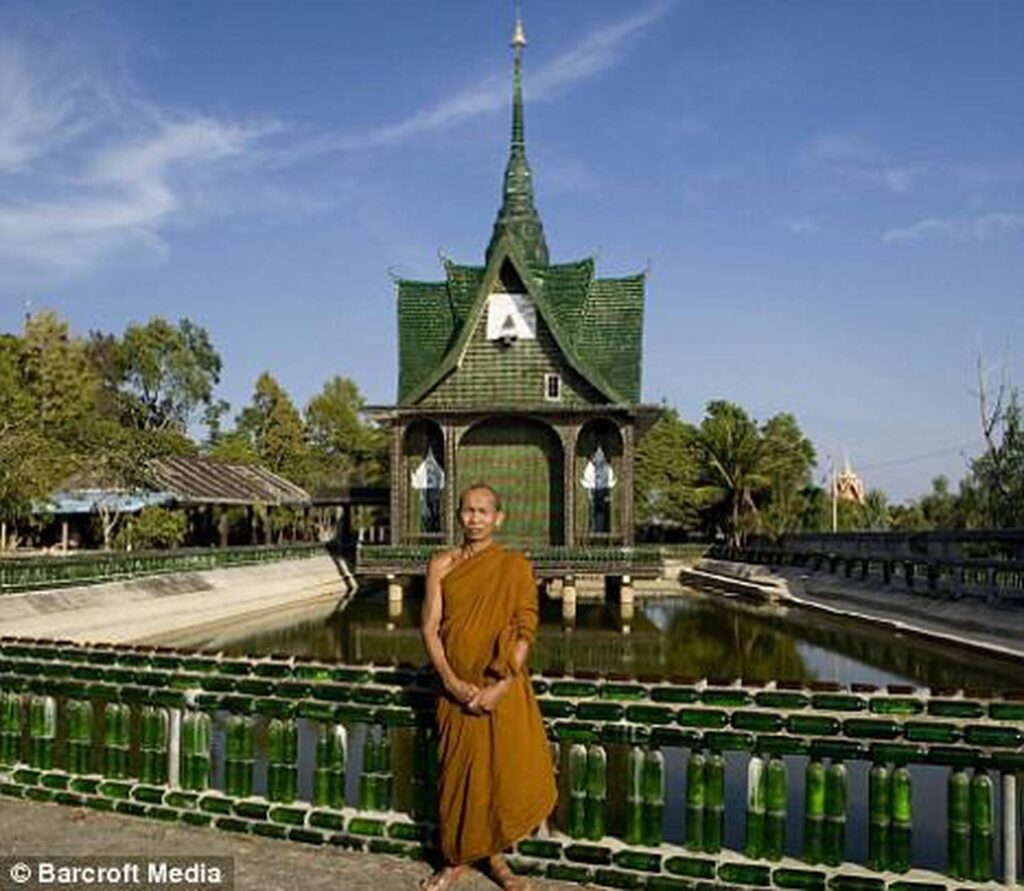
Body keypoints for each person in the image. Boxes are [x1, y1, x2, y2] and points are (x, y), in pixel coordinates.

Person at [420, 483, 557, 891]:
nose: (475, 519)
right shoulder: (441, 565)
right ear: (458, 515)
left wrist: (499, 688)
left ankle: (497, 862)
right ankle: (454, 860)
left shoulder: (514, 565)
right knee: (457, 778)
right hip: (455, 692)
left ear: (499, 518)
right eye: (468, 511)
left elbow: (525, 629)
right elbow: (429, 629)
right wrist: (451, 681)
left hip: (502, 690)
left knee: (497, 778)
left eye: (483, 511)